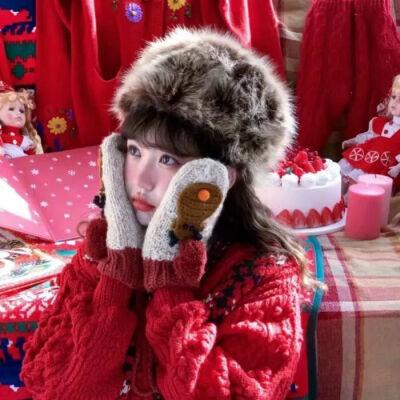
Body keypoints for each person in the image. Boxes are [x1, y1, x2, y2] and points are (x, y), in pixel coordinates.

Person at [21, 27, 314, 400]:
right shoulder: (102, 253)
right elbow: (54, 388)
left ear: (221, 176)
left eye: (168, 159)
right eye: (134, 151)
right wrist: (115, 279)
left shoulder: (264, 276)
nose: (141, 181)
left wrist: (170, 282)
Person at [340, 74, 400, 184]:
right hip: (366, 155)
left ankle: (351, 192)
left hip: (381, 166)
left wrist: (397, 168)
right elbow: (369, 136)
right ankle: (339, 190)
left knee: (359, 179)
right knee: (343, 171)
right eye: (393, 97)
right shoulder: (381, 123)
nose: (394, 103)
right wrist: (353, 141)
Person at [0, 81, 43, 158]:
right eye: (11, 109)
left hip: (22, 162)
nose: (18, 113)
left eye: (21, 111)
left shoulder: (25, 140)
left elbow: (33, 157)